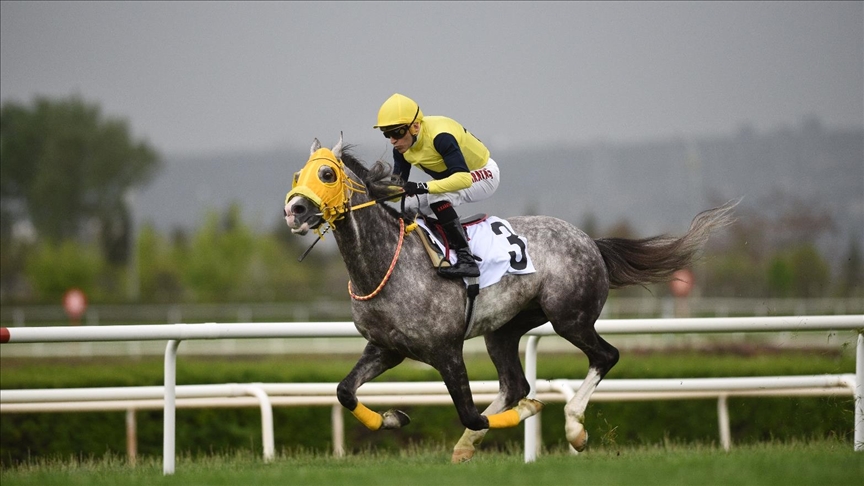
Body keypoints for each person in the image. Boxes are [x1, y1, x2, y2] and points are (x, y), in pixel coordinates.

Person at [373, 93, 500, 280]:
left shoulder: (441, 137)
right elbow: (397, 193)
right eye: (387, 134)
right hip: (455, 179)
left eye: (397, 132)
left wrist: (422, 186)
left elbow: (463, 179)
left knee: (436, 196)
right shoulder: (401, 150)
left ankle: (466, 259)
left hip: (483, 174)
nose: (392, 140)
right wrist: (371, 191)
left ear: (415, 127)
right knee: (409, 205)